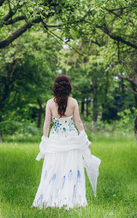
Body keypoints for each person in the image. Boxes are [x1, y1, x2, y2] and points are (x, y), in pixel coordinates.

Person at [32, 74, 101, 209]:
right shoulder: (73, 102)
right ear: (68, 86)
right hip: (71, 139)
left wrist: (44, 140)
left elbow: (47, 123)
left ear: (55, 87)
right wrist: (85, 139)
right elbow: (78, 122)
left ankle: (51, 198)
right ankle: (72, 198)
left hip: (55, 139)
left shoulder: (50, 103)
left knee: (53, 168)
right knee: (71, 168)